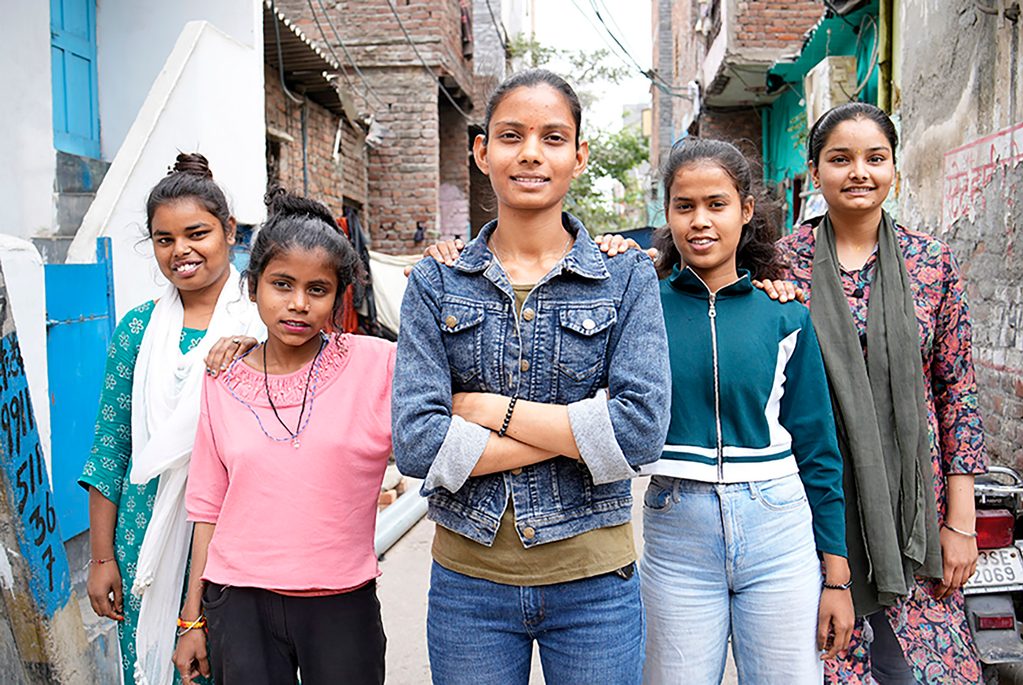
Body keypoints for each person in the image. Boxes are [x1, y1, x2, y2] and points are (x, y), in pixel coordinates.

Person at [391, 68, 671, 685]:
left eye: (553, 137)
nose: (531, 154)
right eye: (512, 136)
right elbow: (416, 443)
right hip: (470, 586)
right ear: (481, 150)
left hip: (595, 584)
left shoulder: (625, 278)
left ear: (580, 155)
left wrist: (492, 411)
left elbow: (639, 433)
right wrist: (583, 432)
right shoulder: (436, 283)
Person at [774, 102, 987, 684]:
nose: (859, 172)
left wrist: (961, 522)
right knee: (829, 663)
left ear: (895, 167)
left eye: (875, 158)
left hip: (917, 509)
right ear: (815, 171)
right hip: (816, 505)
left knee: (926, 670)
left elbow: (957, 394)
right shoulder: (780, 265)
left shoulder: (931, 263)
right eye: (840, 159)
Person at [635, 138, 852, 684]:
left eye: (717, 204)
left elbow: (818, 447)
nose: (700, 221)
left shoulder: (784, 314)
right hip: (676, 531)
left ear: (746, 209)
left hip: (778, 529)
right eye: (684, 206)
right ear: (667, 214)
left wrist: (837, 576)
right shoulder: (643, 308)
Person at [170, 190, 392, 684]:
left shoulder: (377, 365)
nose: (298, 304)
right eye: (282, 284)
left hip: (341, 603)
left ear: (338, 297)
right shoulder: (223, 377)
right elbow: (208, 506)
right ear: (253, 288)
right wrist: (191, 619)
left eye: (318, 289)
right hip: (239, 604)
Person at [78, 153, 262, 685]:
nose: (181, 250)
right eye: (165, 239)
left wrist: (257, 353)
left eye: (196, 233)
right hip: (146, 545)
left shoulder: (265, 320)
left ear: (230, 230)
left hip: (241, 541)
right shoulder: (138, 330)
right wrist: (101, 559)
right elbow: (111, 448)